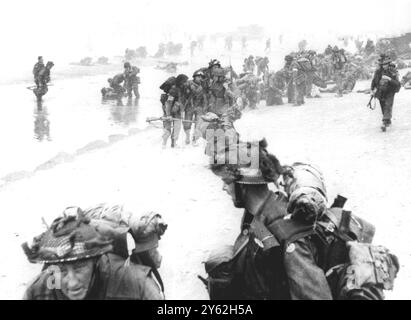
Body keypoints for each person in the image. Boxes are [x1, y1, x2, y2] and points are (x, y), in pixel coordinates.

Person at [203, 139, 400, 300]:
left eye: (226, 182)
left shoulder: (288, 233)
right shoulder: (261, 212)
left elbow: (314, 296)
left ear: (243, 185)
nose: (224, 188)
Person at [22, 208, 167, 300]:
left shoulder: (136, 284)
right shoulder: (38, 292)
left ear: (96, 261)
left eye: (79, 268)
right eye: (62, 271)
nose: (72, 282)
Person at [371, 55, 401, 131]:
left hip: (390, 91)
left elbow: (397, 84)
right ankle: (387, 120)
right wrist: (372, 89)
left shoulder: (393, 71)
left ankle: (384, 122)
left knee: (388, 105)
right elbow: (374, 81)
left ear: (388, 64)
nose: (384, 66)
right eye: (382, 64)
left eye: (385, 64)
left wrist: (389, 79)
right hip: (381, 91)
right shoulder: (378, 71)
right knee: (383, 107)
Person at [160, 74, 188, 148]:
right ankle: (164, 144)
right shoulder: (173, 90)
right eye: (184, 81)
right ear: (180, 81)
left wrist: (182, 113)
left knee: (177, 128)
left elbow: (182, 102)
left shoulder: (183, 89)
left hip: (177, 111)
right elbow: (169, 102)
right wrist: (168, 114)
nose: (186, 83)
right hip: (168, 111)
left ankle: (174, 144)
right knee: (167, 129)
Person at [182, 70, 208, 145]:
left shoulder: (202, 87)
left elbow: (204, 98)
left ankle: (195, 139)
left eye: (201, 77)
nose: (200, 78)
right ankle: (187, 137)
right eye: (198, 77)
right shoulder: (188, 84)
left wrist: (204, 107)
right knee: (187, 123)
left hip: (199, 107)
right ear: (194, 77)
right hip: (189, 106)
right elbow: (183, 95)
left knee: (199, 123)